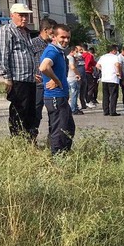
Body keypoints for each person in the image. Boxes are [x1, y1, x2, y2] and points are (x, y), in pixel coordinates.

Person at [0, 3, 40, 140]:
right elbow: (3, 54)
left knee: (30, 113)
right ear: (12, 15)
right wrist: (7, 77)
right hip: (17, 79)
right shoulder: (6, 31)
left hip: (29, 79)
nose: (24, 18)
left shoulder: (26, 32)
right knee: (19, 111)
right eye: (21, 15)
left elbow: (28, 54)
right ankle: (18, 140)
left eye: (26, 15)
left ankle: (29, 140)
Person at [38, 24, 76, 154]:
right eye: (62, 37)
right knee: (59, 130)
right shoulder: (52, 51)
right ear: (53, 37)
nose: (66, 40)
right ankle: (57, 159)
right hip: (55, 96)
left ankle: (64, 154)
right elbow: (44, 67)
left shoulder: (59, 51)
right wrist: (56, 80)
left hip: (61, 96)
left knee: (68, 128)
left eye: (68, 38)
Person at [30, 17, 56, 132]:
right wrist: (31, 73)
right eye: (52, 31)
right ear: (45, 30)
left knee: (54, 113)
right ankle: (32, 139)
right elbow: (26, 60)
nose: (54, 34)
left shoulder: (54, 45)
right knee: (36, 112)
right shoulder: (32, 43)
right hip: (39, 84)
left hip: (53, 84)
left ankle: (53, 140)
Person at [96, 45, 123, 116]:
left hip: (105, 78)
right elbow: (117, 65)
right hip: (113, 78)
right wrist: (118, 72)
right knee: (113, 95)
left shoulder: (103, 57)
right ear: (114, 50)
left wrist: (103, 69)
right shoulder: (115, 57)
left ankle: (105, 110)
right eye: (116, 50)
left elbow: (97, 65)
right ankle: (112, 111)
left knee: (105, 95)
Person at [66, 45, 82, 115]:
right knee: (74, 94)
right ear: (72, 51)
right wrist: (77, 74)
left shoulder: (68, 58)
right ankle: (73, 109)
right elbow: (72, 67)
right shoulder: (70, 58)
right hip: (72, 78)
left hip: (68, 78)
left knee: (71, 94)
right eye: (76, 51)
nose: (77, 53)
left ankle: (74, 107)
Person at [73, 44, 88, 111]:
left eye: (82, 49)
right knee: (77, 92)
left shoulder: (82, 58)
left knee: (83, 91)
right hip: (78, 77)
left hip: (84, 76)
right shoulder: (74, 58)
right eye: (80, 50)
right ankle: (75, 105)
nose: (81, 51)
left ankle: (83, 104)